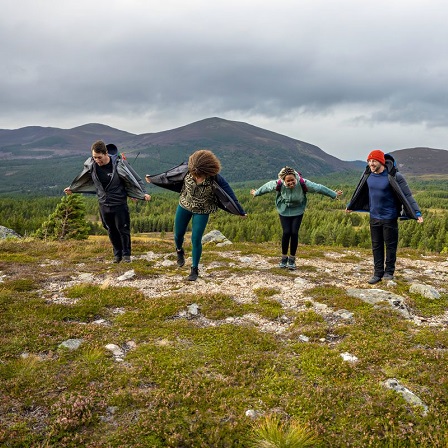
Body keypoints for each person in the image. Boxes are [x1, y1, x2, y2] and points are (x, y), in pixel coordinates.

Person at [146, 149, 247, 281]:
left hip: (202, 211)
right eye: (194, 174)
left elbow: (229, 194)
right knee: (178, 235)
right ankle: (179, 251)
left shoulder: (215, 178)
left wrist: (239, 211)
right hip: (184, 206)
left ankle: (194, 269)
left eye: (199, 175)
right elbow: (168, 176)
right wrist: (152, 179)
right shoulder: (186, 170)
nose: (196, 176)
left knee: (196, 239)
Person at [64, 140, 151, 263]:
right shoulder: (92, 165)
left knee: (123, 229)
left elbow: (135, 179)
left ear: (106, 154)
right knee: (110, 228)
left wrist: (142, 193)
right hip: (103, 203)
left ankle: (126, 255)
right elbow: (83, 178)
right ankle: (117, 254)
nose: (97, 160)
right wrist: (72, 188)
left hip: (119, 203)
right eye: (94, 157)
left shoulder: (119, 164)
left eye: (99, 157)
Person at [346, 150, 423, 284]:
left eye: (374, 161)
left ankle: (389, 272)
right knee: (376, 246)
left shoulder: (394, 175)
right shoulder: (367, 174)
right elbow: (359, 190)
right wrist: (351, 205)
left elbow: (408, 195)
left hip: (389, 217)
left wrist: (416, 213)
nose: (371, 163)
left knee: (390, 246)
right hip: (374, 216)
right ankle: (377, 273)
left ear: (381, 161)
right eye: (369, 161)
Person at [250, 166, 343, 270]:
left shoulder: (303, 183)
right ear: (283, 180)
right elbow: (266, 187)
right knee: (286, 232)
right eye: (288, 181)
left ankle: (292, 259)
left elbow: (318, 188)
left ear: (296, 178)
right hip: (284, 209)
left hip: (298, 210)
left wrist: (333, 194)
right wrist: (256, 193)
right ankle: (284, 258)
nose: (291, 183)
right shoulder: (278, 184)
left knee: (294, 232)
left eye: (292, 180)